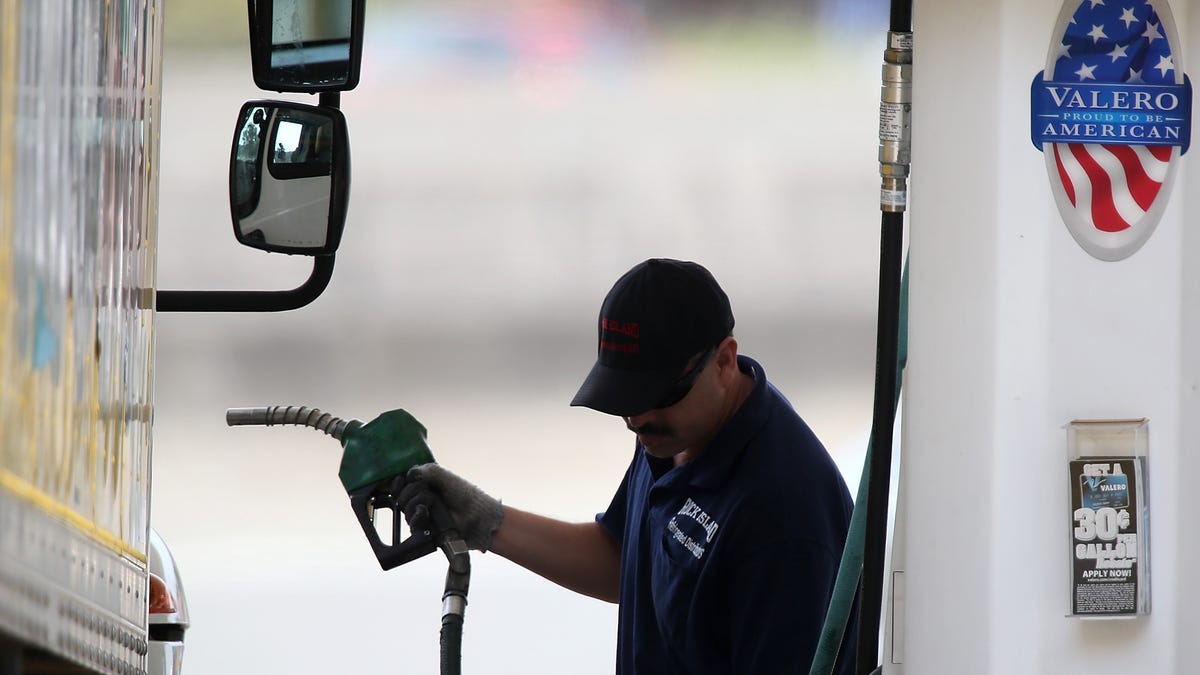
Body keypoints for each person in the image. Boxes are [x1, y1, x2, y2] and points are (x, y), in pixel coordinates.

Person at [400, 258, 858, 674]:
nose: (637, 420)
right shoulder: (673, 430)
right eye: (624, 402)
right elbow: (625, 559)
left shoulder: (783, 518)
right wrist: (483, 520)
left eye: (657, 397)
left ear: (723, 361)